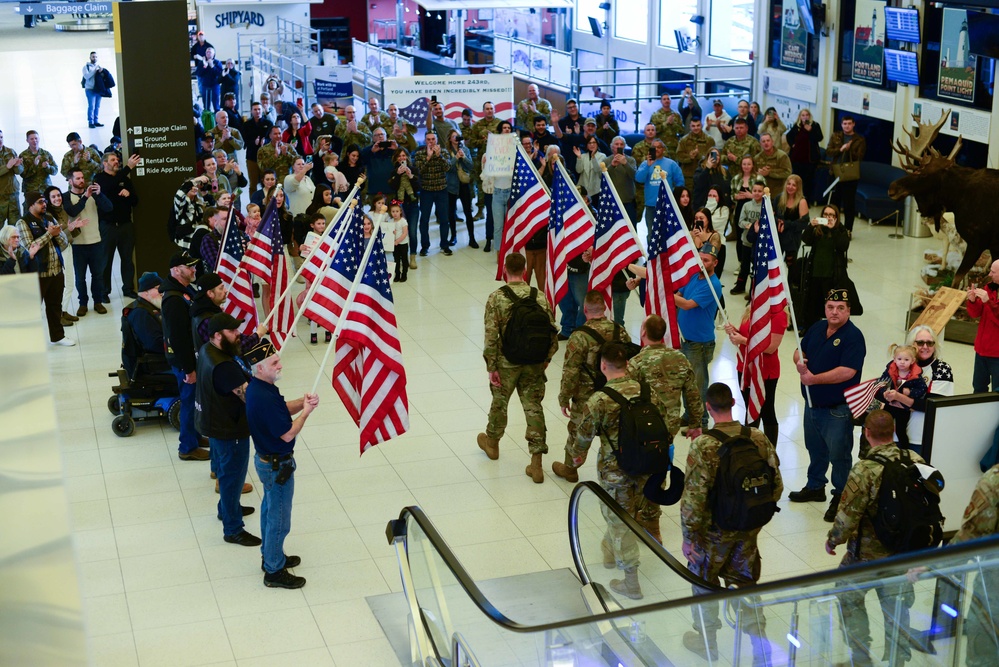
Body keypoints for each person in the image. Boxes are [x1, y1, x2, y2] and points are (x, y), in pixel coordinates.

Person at [680, 382, 781, 662]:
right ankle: (760, 647)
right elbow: (777, 485)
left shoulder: (704, 445)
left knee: (704, 587)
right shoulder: (758, 437)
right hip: (748, 530)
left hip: (713, 534)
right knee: (745, 584)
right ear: (734, 403)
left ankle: (707, 642)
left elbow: (693, 499)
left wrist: (689, 538)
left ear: (708, 408)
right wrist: (753, 519)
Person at [565, 341, 668, 599]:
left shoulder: (599, 399)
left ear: (603, 366)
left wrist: (576, 458)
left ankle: (631, 582)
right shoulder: (648, 392)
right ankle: (608, 549)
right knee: (626, 514)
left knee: (619, 520)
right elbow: (665, 420)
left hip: (616, 472)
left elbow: (584, 435)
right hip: (648, 467)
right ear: (625, 365)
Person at [825, 410, 923, 667]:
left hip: (866, 556)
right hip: (902, 552)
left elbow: (847, 515)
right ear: (893, 432)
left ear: (866, 433)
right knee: (896, 603)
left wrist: (833, 540)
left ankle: (860, 653)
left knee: (847, 594)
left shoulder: (865, 469)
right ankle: (898, 656)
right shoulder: (914, 459)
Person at [477, 252, 558, 482]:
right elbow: (552, 330)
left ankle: (492, 443)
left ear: (505, 270)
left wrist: (492, 367)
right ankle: (536, 462)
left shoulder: (496, 298)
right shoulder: (539, 296)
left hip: (506, 363)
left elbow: (491, 336)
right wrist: (545, 360)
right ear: (524, 271)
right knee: (533, 407)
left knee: (500, 403)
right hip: (534, 362)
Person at [246, 340, 319, 589]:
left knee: (269, 510)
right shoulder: (262, 396)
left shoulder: (262, 388)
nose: (280, 365)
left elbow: (282, 409)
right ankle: (274, 571)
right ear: (259, 368)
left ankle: (271, 556)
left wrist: (301, 402)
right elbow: (287, 434)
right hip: (277, 466)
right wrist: (306, 413)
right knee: (279, 518)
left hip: (267, 461)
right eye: (274, 363)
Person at [792, 288, 866, 522]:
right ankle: (815, 486)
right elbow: (798, 349)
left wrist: (813, 379)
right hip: (811, 404)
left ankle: (841, 496)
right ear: (825, 308)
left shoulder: (853, 336)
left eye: (840, 308)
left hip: (837, 409)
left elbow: (847, 371)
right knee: (815, 448)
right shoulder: (816, 328)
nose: (834, 312)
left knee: (839, 455)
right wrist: (799, 361)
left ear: (849, 311)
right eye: (830, 307)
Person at [553, 291, 633, 483]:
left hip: (586, 396)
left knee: (577, 431)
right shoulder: (619, 330)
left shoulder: (579, 336)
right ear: (605, 308)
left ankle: (571, 468)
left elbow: (570, 371)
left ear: (585, 310)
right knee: (617, 431)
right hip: (615, 392)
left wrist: (564, 398)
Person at [195, 313, 260, 547]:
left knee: (225, 471)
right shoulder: (223, 366)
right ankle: (233, 529)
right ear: (217, 335)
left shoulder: (207, 350)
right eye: (232, 332)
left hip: (214, 422)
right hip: (229, 428)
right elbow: (250, 399)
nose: (238, 334)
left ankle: (227, 508)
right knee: (232, 477)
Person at [949, 463, 999, 667]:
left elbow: (973, 534)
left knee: (983, 655)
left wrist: (932, 564)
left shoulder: (995, 480)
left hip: (994, 592)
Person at [161, 252, 209, 462]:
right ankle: (187, 446)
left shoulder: (184, 290)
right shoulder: (173, 299)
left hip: (191, 355)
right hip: (184, 360)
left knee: (195, 399)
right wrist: (189, 369)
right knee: (189, 401)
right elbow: (178, 338)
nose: (194, 270)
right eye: (189, 267)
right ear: (176, 270)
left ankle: (196, 436)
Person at [16, 192, 75, 346]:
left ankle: (58, 337)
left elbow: (63, 242)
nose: (44, 204)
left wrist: (56, 234)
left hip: (56, 270)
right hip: (37, 273)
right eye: (40, 202)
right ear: (31, 205)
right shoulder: (23, 222)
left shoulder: (49, 218)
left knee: (55, 306)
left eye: (44, 201)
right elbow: (30, 248)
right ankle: (27, 342)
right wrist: (50, 233)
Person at [725, 303, 788, 444]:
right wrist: (734, 332)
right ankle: (750, 450)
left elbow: (771, 347)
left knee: (766, 411)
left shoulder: (779, 314)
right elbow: (747, 335)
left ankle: (770, 452)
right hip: (745, 366)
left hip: (765, 371)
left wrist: (742, 340)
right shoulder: (753, 307)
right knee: (750, 410)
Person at [675, 243, 722, 430]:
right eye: (700, 258)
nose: (702, 263)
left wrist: (666, 294)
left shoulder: (713, 284)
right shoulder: (694, 275)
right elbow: (680, 293)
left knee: (698, 385)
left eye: (706, 260)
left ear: (715, 262)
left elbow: (686, 304)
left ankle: (701, 421)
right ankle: (688, 415)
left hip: (699, 343)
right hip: (686, 339)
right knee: (687, 381)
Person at [64, 167, 111, 316]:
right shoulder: (65, 197)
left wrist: (100, 194)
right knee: (80, 277)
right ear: (70, 181)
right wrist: (85, 197)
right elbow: (72, 211)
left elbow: (109, 208)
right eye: (77, 178)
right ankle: (82, 303)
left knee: (97, 275)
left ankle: (98, 302)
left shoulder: (93, 196)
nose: (82, 180)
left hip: (95, 241)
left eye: (82, 178)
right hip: (78, 244)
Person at [94, 152, 140, 301]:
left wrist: (129, 194)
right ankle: (104, 292)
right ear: (104, 163)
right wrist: (127, 168)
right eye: (112, 160)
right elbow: (107, 188)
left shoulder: (124, 179)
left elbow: (135, 201)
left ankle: (128, 288)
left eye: (117, 160)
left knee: (127, 259)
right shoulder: (99, 179)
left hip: (125, 225)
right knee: (106, 260)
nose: (116, 162)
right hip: (108, 227)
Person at [799, 204, 852, 330]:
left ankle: (833, 328)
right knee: (812, 305)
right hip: (815, 273)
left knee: (832, 305)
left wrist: (833, 230)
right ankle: (810, 329)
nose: (828, 217)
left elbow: (843, 246)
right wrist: (810, 226)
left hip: (832, 276)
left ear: (836, 217)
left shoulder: (841, 230)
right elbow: (805, 239)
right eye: (826, 214)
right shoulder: (818, 230)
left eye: (831, 215)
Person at [904, 325, 954, 454]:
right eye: (920, 342)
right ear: (911, 344)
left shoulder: (941, 368)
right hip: (897, 435)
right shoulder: (902, 364)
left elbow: (931, 404)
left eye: (930, 343)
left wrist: (899, 399)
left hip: (921, 437)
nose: (925, 347)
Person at [872, 344, 927, 451]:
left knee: (900, 430)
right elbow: (880, 383)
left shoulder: (915, 375)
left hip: (903, 408)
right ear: (894, 360)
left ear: (912, 361)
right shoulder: (890, 371)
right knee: (884, 425)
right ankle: (881, 447)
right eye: (899, 359)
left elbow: (922, 389)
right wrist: (884, 392)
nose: (902, 362)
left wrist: (910, 392)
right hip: (890, 406)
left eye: (906, 359)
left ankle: (904, 450)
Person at [413, 132, 453, 256]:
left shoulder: (444, 152)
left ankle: (444, 245)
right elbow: (419, 170)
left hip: (441, 190)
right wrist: (428, 158)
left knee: (444, 219)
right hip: (426, 191)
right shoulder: (420, 154)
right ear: (425, 141)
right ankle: (425, 246)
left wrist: (438, 155)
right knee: (424, 219)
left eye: (433, 139)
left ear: (436, 140)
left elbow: (448, 168)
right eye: (428, 139)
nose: (431, 142)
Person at [826, 115, 866, 232]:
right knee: (834, 203)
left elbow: (860, 156)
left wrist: (849, 150)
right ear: (841, 125)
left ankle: (848, 230)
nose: (847, 126)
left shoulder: (859, 140)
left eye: (849, 123)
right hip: (835, 173)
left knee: (849, 204)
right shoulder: (836, 136)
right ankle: (833, 227)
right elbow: (829, 151)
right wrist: (840, 149)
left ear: (853, 124)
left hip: (850, 176)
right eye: (845, 124)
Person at [121, 272, 165, 377]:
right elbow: (154, 345)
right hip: (149, 366)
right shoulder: (141, 313)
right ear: (145, 292)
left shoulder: (147, 307)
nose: (162, 292)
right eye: (158, 288)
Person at [967, 259, 999, 393]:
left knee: (997, 391)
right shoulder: (989, 287)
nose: (990, 274)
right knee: (978, 388)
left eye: (993, 271)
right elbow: (975, 314)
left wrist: (988, 302)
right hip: (981, 350)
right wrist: (972, 301)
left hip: (997, 354)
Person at [634, 139, 684, 224]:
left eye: (659, 147)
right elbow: (639, 179)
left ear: (663, 149)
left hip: (667, 204)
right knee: (651, 233)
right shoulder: (645, 163)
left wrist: (673, 196)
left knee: (667, 233)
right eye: (654, 147)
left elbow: (680, 182)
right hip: (651, 205)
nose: (656, 149)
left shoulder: (671, 164)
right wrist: (648, 165)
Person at [486, 120, 516, 251]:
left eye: (509, 127)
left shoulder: (515, 148)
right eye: (504, 127)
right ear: (500, 130)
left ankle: (510, 249)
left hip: (511, 191)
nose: (507, 129)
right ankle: (499, 252)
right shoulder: (493, 150)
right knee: (498, 226)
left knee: (511, 224)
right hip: (497, 192)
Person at [731, 179, 764, 295]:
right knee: (744, 266)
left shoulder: (765, 207)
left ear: (763, 193)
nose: (756, 193)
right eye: (754, 190)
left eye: (760, 191)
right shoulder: (746, 205)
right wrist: (749, 226)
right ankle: (740, 285)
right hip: (746, 241)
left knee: (755, 268)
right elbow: (740, 221)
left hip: (759, 244)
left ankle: (753, 291)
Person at [444, 129, 475, 247]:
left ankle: (472, 238)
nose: (456, 139)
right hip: (451, 185)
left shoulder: (465, 149)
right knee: (451, 212)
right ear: (450, 139)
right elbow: (447, 168)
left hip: (464, 184)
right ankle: (453, 236)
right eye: (453, 137)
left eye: (458, 136)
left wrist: (464, 157)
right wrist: (455, 158)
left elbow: (471, 166)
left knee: (468, 211)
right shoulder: (446, 152)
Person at [785, 108, 823, 202]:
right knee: (797, 180)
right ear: (800, 117)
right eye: (803, 115)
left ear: (809, 116)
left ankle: (806, 200)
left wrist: (811, 131)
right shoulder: (797, 126)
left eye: (807, 115)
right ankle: (795, 198)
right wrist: (792, 144)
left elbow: (819, 137)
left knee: (808, 181)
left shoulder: (815, 125)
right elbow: (788, 136)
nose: (805, 117)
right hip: (797, 158)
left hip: (810, 159)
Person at [776, 174, 810, 263]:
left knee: (791, 265)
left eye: (794, 185)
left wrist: (786, 224)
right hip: (778, 236)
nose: (790, 187)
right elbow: (771, 215)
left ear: (798, 187)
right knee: (775, 264)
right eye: (788, 184)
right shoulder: (779, 198)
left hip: (793, 238)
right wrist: (778, 222)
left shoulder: (802, 201)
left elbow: (804, 223)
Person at [602, 136, 638, 222]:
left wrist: (625, 164)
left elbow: (634, 176)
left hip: (628, 201)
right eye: (616, 144)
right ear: (612, 146)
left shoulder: (631, 160)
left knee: (631, 227)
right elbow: (602, 178)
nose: (619, 146)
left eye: (621, 144)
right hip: (611, 201)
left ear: (624, 146)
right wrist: (612, 166)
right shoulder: (606, 160)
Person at [19, 130, 58, 203]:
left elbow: (55, 171)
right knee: (31, 212)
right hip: (31, 190)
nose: (34, 141)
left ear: (39, 139)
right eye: (32, 139)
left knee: (48, 211)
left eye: (36, 138)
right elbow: (23, 174)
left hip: (46, 188)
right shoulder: (23, 156)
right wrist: (34, 165)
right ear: (27, 140)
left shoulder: (46, 154)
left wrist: (48, 167)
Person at [243, 102, 274, 192]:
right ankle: (253, 204)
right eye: (255, 109)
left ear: (262, 110)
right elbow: (244, 141)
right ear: (251, 111)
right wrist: (253, 142)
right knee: (253, 184)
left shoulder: (268, 123)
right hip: (252, 157)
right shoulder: (247, 124)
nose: (257, 111)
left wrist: (265, 141)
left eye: (259, 109)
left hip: (266, 156)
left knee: (267, 182)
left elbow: (272, 138)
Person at [676, 118, 715, 183]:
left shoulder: (709, 140)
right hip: (688, 176)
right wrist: (689, 157)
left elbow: (714, 158)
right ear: (690, 126)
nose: (696, 128)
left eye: (698, 125)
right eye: (693, 126)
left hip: (705, 175)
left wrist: (700, 156)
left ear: (701, 125)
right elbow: (678, 156)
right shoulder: (684, 140)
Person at [574, 135, 606, 206]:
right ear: (587, 145)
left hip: (596, 191)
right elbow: (578, 170)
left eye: (594, 143)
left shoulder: (602, 156)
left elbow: (598, 171)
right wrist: (579, 157)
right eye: (589, 143)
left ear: (597, 144)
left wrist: (593, 157)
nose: (592, 145)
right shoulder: (582, 156)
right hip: (583, 191)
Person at [650, 93, 684, 159]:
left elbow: (682, 131)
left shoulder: (676, 115)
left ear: (670, 101)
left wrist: (673, 124)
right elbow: (653, 131)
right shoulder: (656, 115)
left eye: (668, 99)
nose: (666, 101)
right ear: (661, 101)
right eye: (664, 99)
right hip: (659, 147)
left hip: (673, 147)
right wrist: (666, 123)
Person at [83, 52, 104, 128]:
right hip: (89, 89)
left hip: (98, 90)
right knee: (91, 106)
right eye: (93, 57)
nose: (94, 58)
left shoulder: (99, 66)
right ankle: (90, 122)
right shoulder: (86, 67)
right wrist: (95, 71)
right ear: (90, 58)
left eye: (95, 57)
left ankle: (96, 121)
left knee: (97, 106)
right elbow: (87, 76)